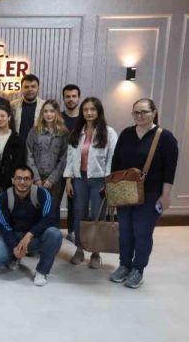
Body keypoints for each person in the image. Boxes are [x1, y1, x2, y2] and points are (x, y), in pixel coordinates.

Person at [110, 98, 178, 289]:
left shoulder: (165, 138)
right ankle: (124, 265)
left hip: (151, 194)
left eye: (144, 112)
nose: (139, 116)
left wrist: (165, 196)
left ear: (154, 113)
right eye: (136, 112)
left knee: (142, 233)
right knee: (125, 232)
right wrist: (112, 188)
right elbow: (116, 161)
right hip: (124, 191)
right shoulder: (126, 134)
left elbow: (170, 170)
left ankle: (138, 269)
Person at [64, 97, 117, 269]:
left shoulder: (108, 132)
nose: (89, 112)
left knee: (97, 215)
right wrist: (69, 179)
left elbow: (112, 158)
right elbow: (70, 157)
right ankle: (79, 249)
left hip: (99, 180)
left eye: (92, 109)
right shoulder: (76, 132)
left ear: (99, 111)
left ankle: (95, 252)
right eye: (85, 109)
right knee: (79, 213)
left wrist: (108, 181)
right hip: (79, 179)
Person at [0, 165, 62, 287]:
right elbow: (4, 226)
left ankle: (42, 271)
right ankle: (15, 256)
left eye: (26, 178)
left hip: (34, 238)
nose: (22, 182)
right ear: (13, 180)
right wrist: (14, 246)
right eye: (18, 178)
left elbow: (49, 218)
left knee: (55, 234)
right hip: (13, 235)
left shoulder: (42, 193)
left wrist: (29, 235)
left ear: (32, 180)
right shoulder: (4, 197)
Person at [26, 100, 68, 215]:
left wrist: (51, 179)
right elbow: (29, 155)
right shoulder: (34, 131)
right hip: (36, 178)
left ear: (57, 113)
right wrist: (36, 178)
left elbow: (64, 158)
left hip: (55, 181)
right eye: (45, 111)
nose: (49, 114)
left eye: (52, 111)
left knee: (52, 211)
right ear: (42, 113)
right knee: (35, 210)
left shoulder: (63, 132)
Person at [0, 105, 24, 191]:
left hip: (10, 182)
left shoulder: (17, 139)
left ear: (9, 117)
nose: (0, 119)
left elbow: (19, 162)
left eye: (2, 116)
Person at [61, 84, 81, 241]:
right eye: (67, 96)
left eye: (74, 96)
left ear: (79, 98)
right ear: (63, 98)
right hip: (57, 165)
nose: (71, 99)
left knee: (74, 201)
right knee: (52, 202)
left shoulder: (84, 119)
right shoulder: (57, 117)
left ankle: (72, 231)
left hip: (76, 167)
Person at [10, 74, 44, 146]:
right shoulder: (12, 105)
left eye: (33, 86)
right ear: (21, 89)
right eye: (26, 87)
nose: (30, 89)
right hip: (17, 146)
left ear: (38, 88)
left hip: (37, 147)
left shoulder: (45, 106)